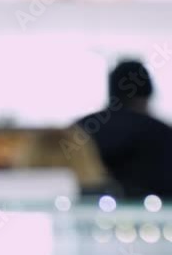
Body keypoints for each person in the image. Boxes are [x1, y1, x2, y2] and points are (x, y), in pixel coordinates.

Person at [74, 59, 172, 198]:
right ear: (148, 95)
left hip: (86, 217)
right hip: (154, 217)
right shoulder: (163, 134)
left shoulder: (81, 130)